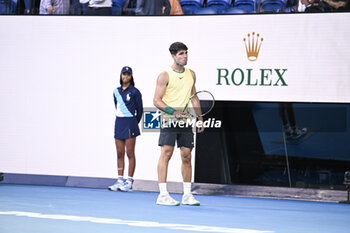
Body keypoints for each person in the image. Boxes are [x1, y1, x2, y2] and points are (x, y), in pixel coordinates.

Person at [153, 42, 204, 206]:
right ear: (173, 56)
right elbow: (156, 100)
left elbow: (194, 97)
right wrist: (173, 112)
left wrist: (200, 118)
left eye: (186, 53)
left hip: (186, 122)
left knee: (187, 156)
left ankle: (187, 195)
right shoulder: (164, 75)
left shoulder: (192, 74)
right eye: (181, 54)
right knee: (166, 154)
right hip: (169, 119)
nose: (185, 56)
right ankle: (162, 195)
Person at [108, 66, 143, 192]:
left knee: (130, 153)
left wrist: (133, 122)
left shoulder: (135, 92)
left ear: (131, 77)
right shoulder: (116, 91)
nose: (125, 77)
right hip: (119, 122)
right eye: (124, 74)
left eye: (128, 75)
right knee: (119, 153)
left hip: (130, 122)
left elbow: (140, 110)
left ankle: (129, 181)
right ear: (121, 76)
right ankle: (119, 180)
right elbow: (116, 106)